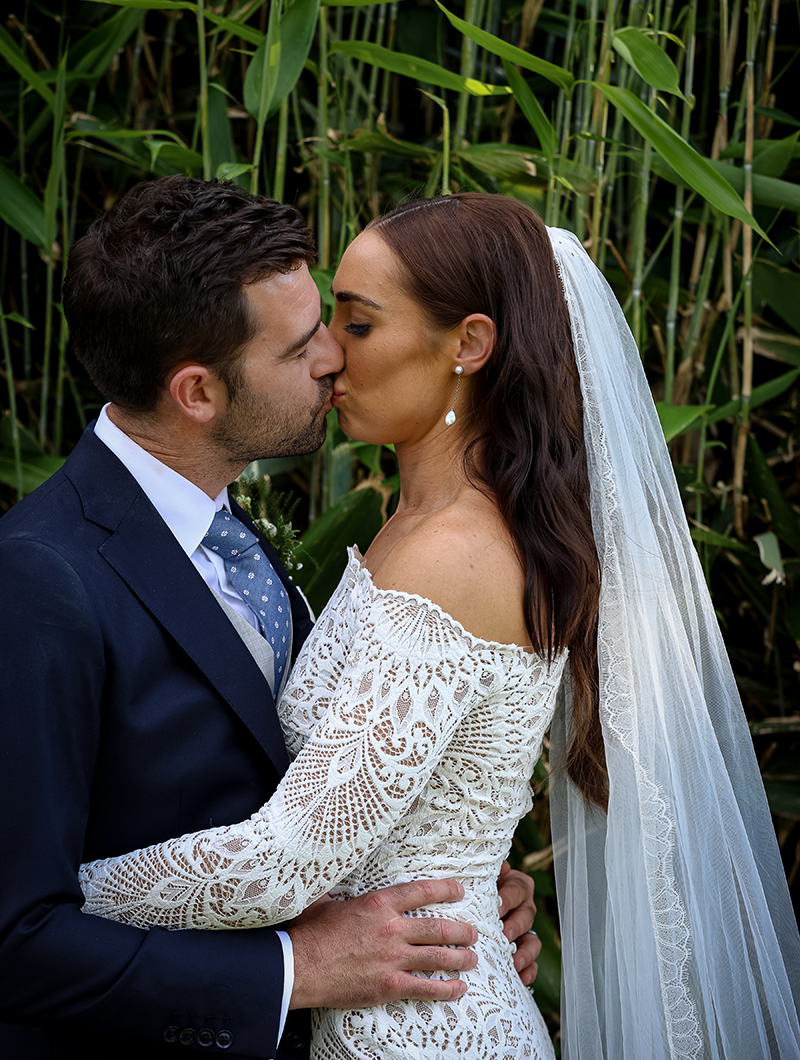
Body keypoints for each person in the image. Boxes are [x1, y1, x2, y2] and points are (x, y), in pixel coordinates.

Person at [75, 191, 800, 1058]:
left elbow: (289, 858)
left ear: (469, 345)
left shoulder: (450, 556)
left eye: (360, 324)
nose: (331, 356)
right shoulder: (420, 531)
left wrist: (65, 895)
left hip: (423, 1029)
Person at [0, 179, 540, 1060]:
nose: (333, 356)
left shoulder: (235, 533)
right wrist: (293, 969)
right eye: (300, 349)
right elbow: (18, 941)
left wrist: (457, 882)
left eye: (336, 321)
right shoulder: (38, 580)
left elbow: (315, 780)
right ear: (198, 394)